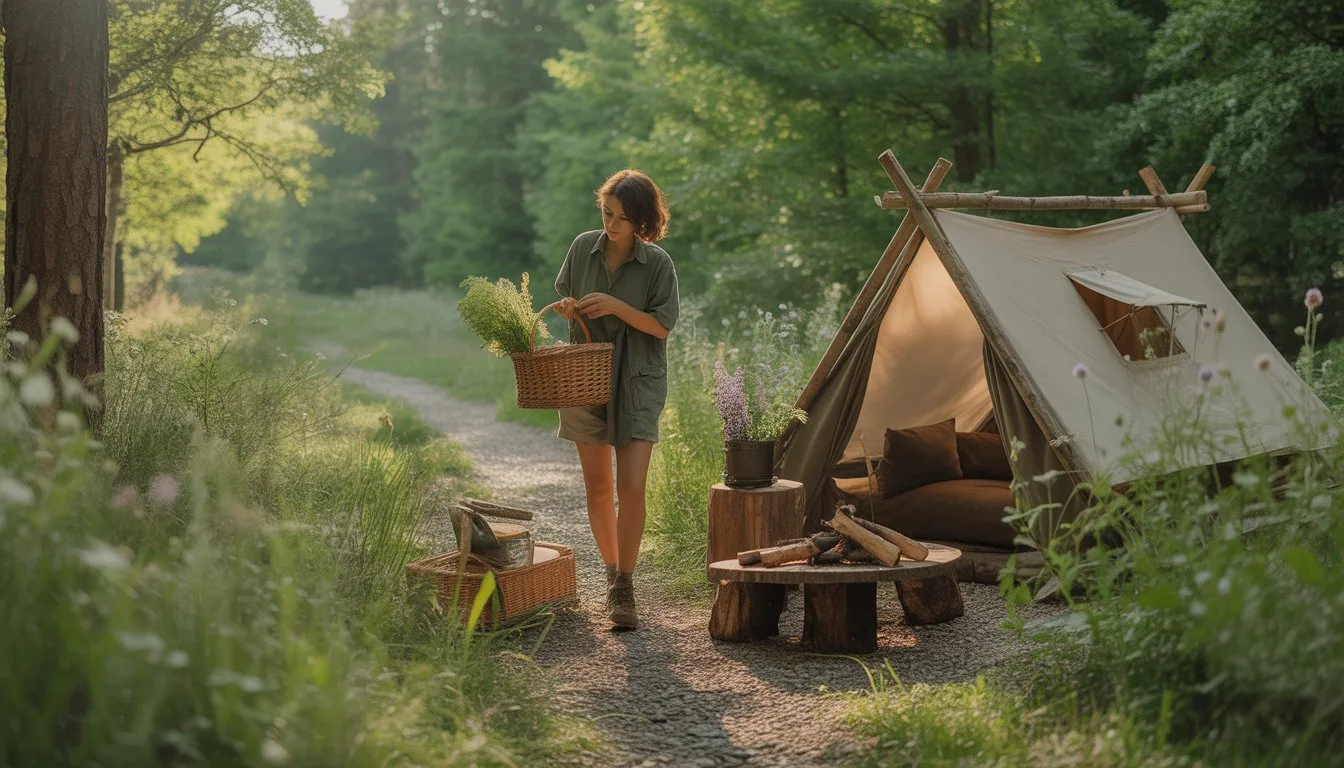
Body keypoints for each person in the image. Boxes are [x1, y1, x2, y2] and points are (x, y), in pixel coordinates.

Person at [553, 169, 678, 629]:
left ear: (642, 221)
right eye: (607, 213)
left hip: (638, 381)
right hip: (584, 378)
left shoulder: (658, 264)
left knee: (632, 487)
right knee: (599, 488)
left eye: (623, 218)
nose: (611, 224)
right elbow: (565, 297)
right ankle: (610, 574)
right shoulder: (582, 247)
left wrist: (617, 307)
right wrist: (571, 307)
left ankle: (626, 582)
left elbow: (662, 326)